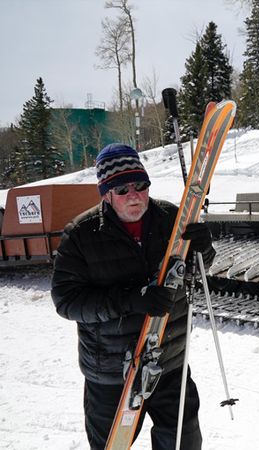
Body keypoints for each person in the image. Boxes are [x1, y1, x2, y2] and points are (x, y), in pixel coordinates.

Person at [51, 143, 216, 450]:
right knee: (111, 445)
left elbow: (196, 271)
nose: (135, 195)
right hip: (112, 370)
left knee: (183, 440)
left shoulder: (173, 218)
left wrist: (204, 249)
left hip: (169, 358)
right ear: (106, 193)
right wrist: (130, 300)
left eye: (140, 185)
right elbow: (66, 301)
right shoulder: (81, 234)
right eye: (123, 189)